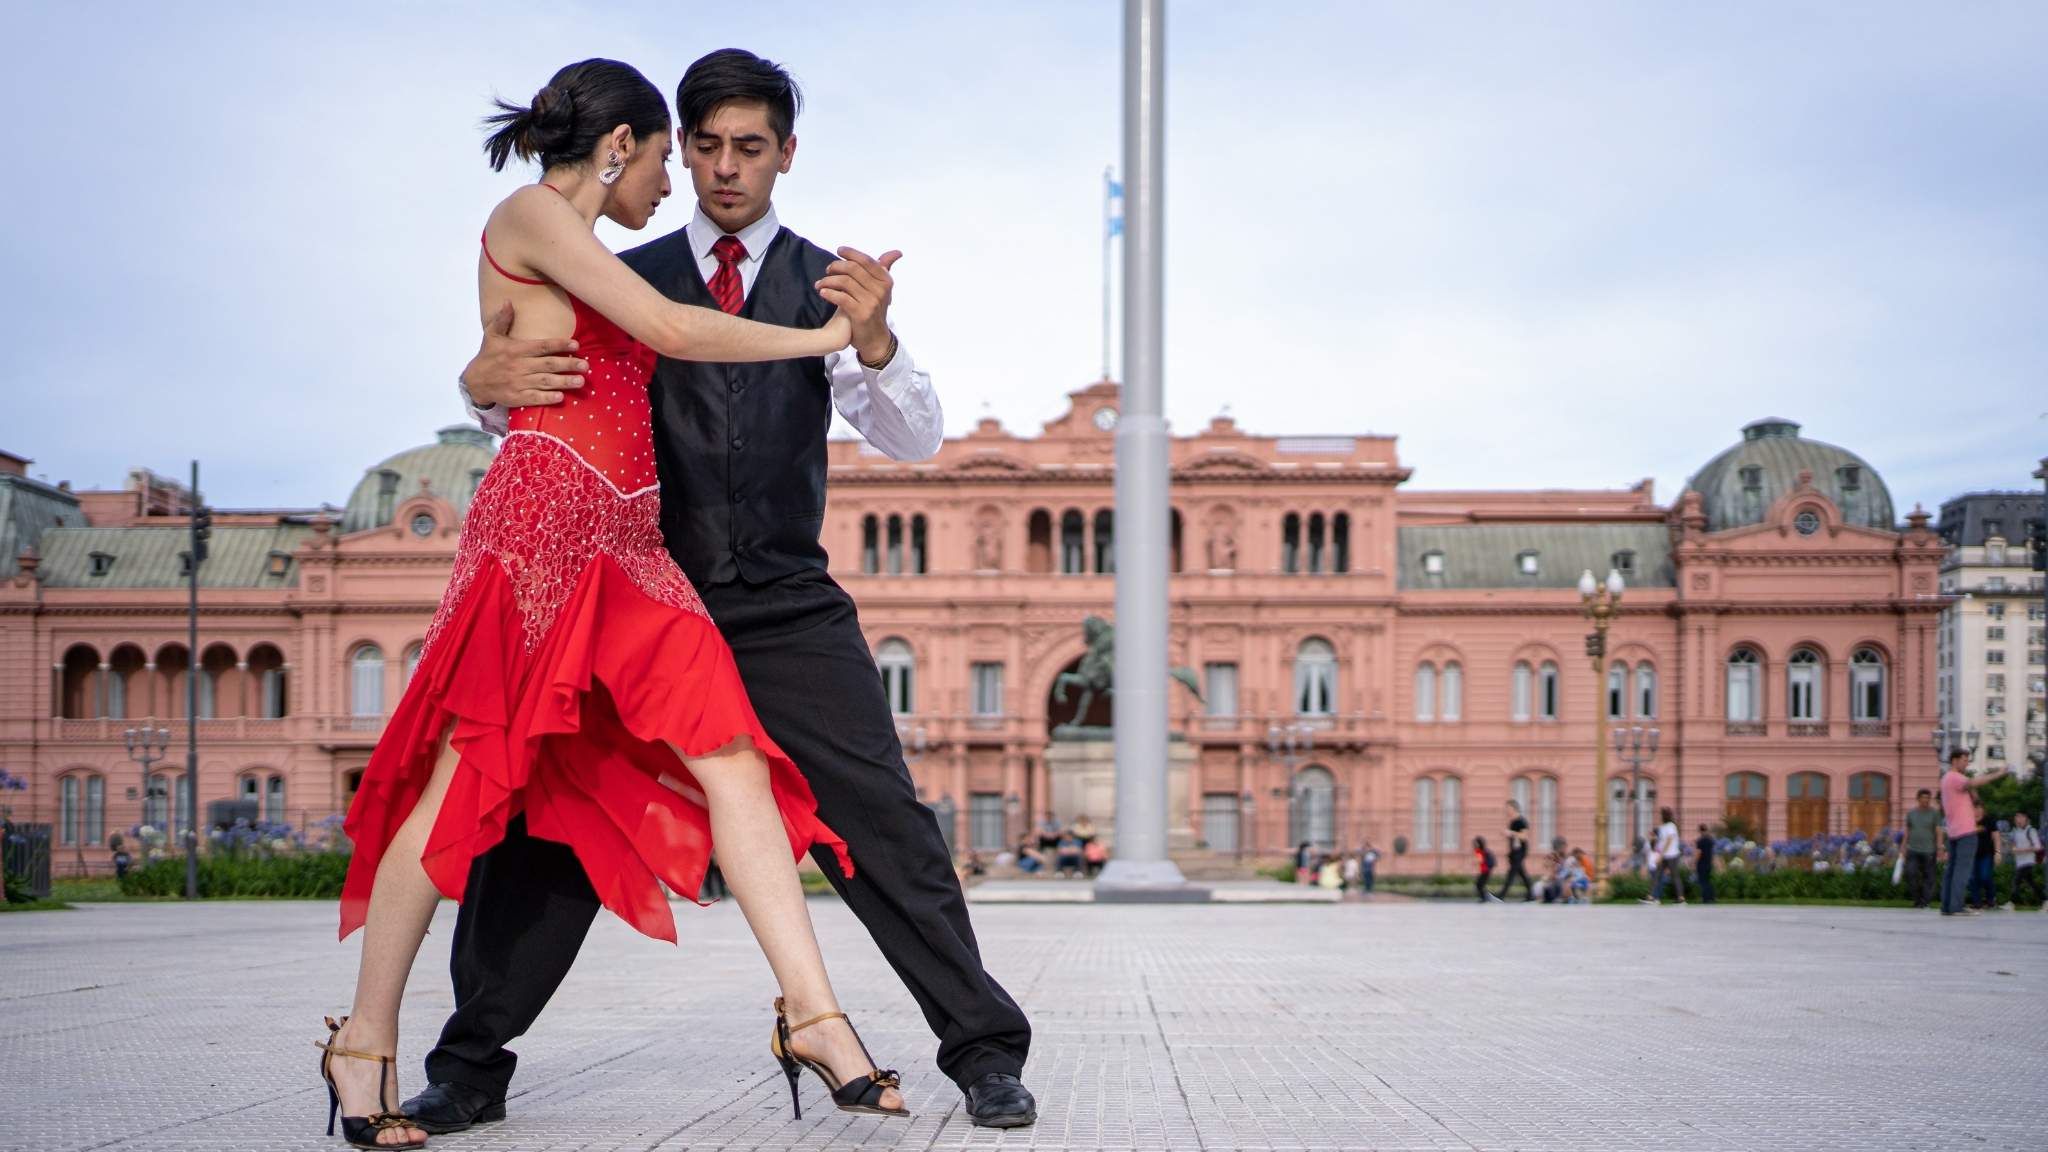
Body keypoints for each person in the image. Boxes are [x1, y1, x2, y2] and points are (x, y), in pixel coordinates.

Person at [412, 52, 1035, 1135]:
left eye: (750, 147)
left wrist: (875, 339)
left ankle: (983, 1052)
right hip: (636, 594)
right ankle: (470, 1063)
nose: (723, 168)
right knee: (548, 828)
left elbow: (914, 436)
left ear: (786, 153)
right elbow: (526, 385)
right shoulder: (617, 263)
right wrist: (477, 379)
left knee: (883, 823)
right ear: (674, 147)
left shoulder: (828, 285)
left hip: (783, 603)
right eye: (703, 146)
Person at [319, 59, 909, 1149]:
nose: (673, 193)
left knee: (731, 756)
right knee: (463, 786)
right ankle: (363, 1040)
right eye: (663, 164)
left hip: (630, 545)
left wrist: (479, 371)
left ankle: (816, 1018)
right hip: (546, 530)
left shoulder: (575, 244)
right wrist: (825, 340)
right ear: (623, 145)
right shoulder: (532, 214)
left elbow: (542, 347)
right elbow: (674, 334)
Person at [1939, 747, 2007, 916]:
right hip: (1966, 831)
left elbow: (1973, 796)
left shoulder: (1947, 779)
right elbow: (1974, 783)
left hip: (1954, 831)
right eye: (1964, 760)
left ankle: (1947, 906)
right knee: (1962, 870)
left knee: (1952, 870)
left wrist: (1971, 792)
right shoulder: (1955, 777)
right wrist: (1998, 774)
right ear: (1954, 760)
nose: (1966, 764)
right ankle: (1957, 907)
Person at [1902, 788, 1941, 910]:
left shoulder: (1934, 813)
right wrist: (1903, 846)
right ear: (1918, 799)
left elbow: (1938, 831)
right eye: (1923, 798)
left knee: (1929, 877)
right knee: (1910, 873)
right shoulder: (1911, 813)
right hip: (1913, 849)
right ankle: (1917, 900)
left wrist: (1940, 847)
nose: (1926, 800)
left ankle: (1925, 901)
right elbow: (1907, 830)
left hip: (1929, 850)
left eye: (1928, 798)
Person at [1645, 808, 1686, 906]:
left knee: (1675, 876)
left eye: (1661, 815)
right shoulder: (1662, 827)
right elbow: (1661, 842)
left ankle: (1681, 898)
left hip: (1672, 855)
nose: (1659, 817)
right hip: (1664, 855)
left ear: (1664, 816)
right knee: (1657, 875)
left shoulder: (1671, 826)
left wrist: (1661, 855)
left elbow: (1669, 840)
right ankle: (1651, 897)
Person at [1496, 801, 1534, 901]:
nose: (1506, 811)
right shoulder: (1512, 822)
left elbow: (1524, 836)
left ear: (1514, 809)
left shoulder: (1521, 821)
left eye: (1508, 808)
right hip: (1515, 851)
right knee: (1522, 873)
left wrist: (1510, 833)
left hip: (1521, 850)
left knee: (1512, 873)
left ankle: (1501, 895)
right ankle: (1531, 895)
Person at [2003, 811, 2040, 911]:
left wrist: (2021, 850)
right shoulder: (2015, 832)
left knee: (2017, 881)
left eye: (2020, 817)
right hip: (2019, 862)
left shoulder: (2031, 831)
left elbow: (2037, 847)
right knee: (2031, 883)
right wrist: (2013, 849)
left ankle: (2011, 903)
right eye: (2016, 817)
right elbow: (2013, 846)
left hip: (2028, 861)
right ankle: (2045, 900)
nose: (2017, 819)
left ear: (2026, 818)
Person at [1968, 798, 1999, 910]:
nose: (1977, 810)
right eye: (1975, 808)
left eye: (1979, 808)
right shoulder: (1967, 821)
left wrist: (1997, 852)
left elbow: (1996, 836)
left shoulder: (1989, 820)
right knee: (1972, 878)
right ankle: (1977, 903)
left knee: (1985, 876)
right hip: (1971, 855)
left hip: (1986, 854)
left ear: (1983, 809)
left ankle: (1991, 900)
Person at [1693, 825, 1716, 904]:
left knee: (1702, 882)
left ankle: (1705, 898)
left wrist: (1694, 862)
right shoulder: (1710, 840)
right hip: (1708, 863)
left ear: (1700, 831)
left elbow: (1699, 852)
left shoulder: (1700, 841)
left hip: (1702, 864)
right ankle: (1711, 897)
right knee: (1708, 881)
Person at [1473, 837, 1495, 902]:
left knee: (1479, 884)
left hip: (1486, 870)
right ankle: (1485, 897)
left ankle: (1485, 898)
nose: (1476, 845)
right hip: (1485, 870)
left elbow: (1480, 860)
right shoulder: (1484, 850)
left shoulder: (1480, 851)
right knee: (1480, 884)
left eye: (1477, 843)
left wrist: (1475, 862)